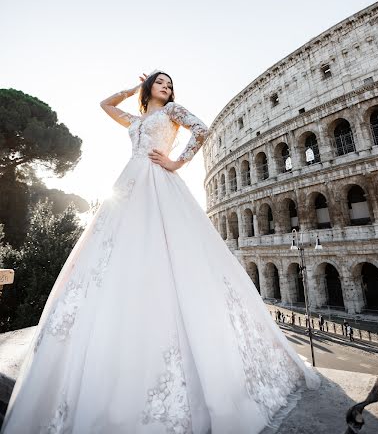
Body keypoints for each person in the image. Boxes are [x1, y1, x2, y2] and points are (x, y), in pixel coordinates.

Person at [1, 71, 319, 434]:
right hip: (129, 182)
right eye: (161, 83)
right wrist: (131, 90)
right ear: (149, 86)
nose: (167, 88)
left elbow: (202, 130)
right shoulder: (136, 119)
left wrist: (176, 162)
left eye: (171, 85)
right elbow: (104, 105)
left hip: (159, 179)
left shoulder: (173, 112)